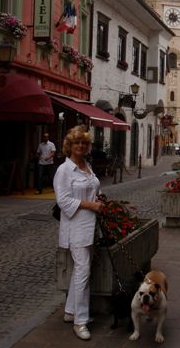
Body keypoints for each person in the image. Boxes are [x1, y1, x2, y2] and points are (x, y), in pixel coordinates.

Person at [54, 126, 104, 341]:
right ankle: (80, 322)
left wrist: (99, 199)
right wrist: (90, 205)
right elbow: (63, 201)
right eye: (77, 143)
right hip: (76, 227)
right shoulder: (64, 171)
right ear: (69, 146)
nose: (81, 146)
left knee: (81, 269)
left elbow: (94, 189)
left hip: (90, 226)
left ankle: (70, 311)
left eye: (84, 143)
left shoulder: (87, 166)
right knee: (83, 272)